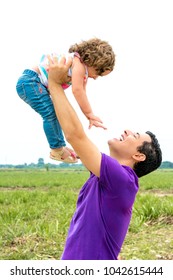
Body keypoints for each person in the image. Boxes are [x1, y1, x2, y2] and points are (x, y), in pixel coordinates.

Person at [47, 56, 162, 260]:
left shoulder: (123, 180)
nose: (127, 130)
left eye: (134, 136)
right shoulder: (106, 178)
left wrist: (55, 84)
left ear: (138, 155)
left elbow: (75, 135)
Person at [16, 38, 115, 163]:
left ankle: (59, 146)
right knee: (50, 113)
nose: (95, 78)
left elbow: (82, 93)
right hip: (31, 82)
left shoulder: (81, 69)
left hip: (34, 83)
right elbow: (77, 91)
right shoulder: (78, 63)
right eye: (98, 72)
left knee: (55, 113)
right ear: (93, 61)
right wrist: (90, 114)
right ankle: (57, 149)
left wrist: (88, 116)